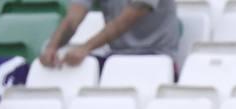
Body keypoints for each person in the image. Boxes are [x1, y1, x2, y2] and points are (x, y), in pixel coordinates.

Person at [39, 0, 180, 69]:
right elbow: (73, 17)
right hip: (115, 58)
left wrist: (85, 48)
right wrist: (52, 47)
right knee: (69, 69)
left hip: (156, 59)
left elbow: (127, 19)